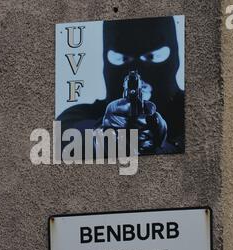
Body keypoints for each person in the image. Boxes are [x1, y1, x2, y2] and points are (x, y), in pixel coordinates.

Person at [57, 17, 184, 156]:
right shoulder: (78, 115)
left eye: (153, 57)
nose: (137, 70)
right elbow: (66, 136)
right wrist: (105, 135)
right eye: (121, 59)